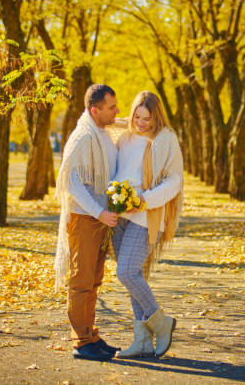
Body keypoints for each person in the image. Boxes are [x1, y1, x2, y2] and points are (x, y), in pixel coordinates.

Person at [112, 91, 183, 358]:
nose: (141, 123)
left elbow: (174, 181)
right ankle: (142, 340)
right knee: (133, 278)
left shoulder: (166, 139)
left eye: (147, 118)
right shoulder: (125, 136)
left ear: (157, 117)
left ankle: (160, 321)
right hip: (119, 215)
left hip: (146, 215)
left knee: (127, 272)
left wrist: (144, 199)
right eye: (137, 117)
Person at [54, 84, 120, 362]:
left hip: (99, 220)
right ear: (95, 110)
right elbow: (72, 182)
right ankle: (81, 342)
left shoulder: (102, 132)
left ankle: (90, 335)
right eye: (112, 107)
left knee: (94, 280)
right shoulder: (82, 138)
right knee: (81, 280)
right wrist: (99, 212)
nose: (117, 111)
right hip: (85, 218)